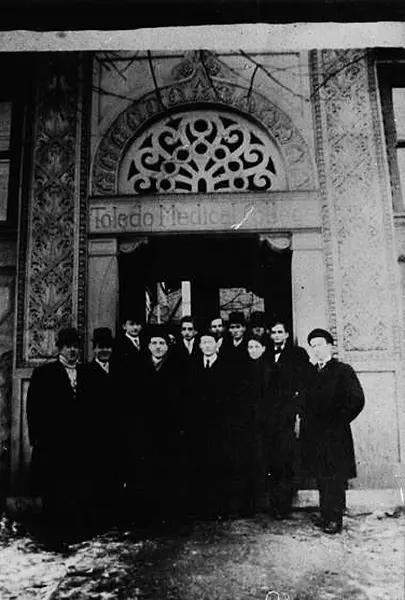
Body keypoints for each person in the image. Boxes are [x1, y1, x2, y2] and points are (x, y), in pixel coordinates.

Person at [26, 327, 91, 545]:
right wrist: (38, 439)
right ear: (59, 348)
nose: (73, 351)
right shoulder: (45, 374)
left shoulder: (87, 373)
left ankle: (74, 532)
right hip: (54, 445)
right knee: (54, 489)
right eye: (68, 346)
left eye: (75, 346)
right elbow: (33, 409)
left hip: (80, 444)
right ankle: (52, 534)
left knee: (76, 488)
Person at [302, 328, 365, 534]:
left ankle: (335, 518)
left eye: (320, 344)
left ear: (330, 346)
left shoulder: (343, 370)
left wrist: (338, 420)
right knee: (322, 476)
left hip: (336, 434)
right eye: (313, 346)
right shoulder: (312, 373)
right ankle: (325, 514)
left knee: (335, 477)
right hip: (316, 435)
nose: (316, 349)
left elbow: (357, 400)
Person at [265, 320, 311, 519]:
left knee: (286, 460)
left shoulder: (297, 353)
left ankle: (283, 505)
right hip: (269, 416)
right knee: (272, 460)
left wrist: (298, 408)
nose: (276, 335)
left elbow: (304, 381)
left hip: (288, 414)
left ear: (286, 334)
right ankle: (275, 503)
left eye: (279, 332)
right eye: (273, 332)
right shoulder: (266, 353)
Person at [82, 327, 123, 531]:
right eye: (100, 347)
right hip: (96, 436)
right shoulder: (85, 372)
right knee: (96, 477)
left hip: (116, 435)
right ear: (94, 349)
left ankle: (113, 517)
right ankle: (97, 520)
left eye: (107, 347)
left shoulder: (120, 371)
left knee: (115, 476)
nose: (104, 351)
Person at [189, 330, 230, 518]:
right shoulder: (192, 367)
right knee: (200, 465)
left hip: (220, 426)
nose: (206, 346)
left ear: (217, 345)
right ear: (199, 346)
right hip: (198, 427)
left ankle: (219, 507)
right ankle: (201, 507)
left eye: (210, 342)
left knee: (219, 466)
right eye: (203, 343)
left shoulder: (226, 367)